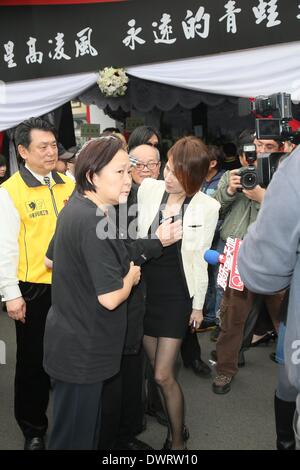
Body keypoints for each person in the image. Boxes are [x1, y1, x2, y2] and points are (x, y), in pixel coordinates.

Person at [43, 136, 141, 450]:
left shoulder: (77, 208)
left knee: (80, 433)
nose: (128, 181)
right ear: (92, 176)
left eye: (129, 171)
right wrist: (131, 276)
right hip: (83, 350)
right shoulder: (93, 219)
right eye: (119, 172)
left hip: (73, 339)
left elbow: (50, 259)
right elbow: (111, 297)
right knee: (74, 439)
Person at [138, 136, 220, 449]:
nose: (168, 177)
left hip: (177, 295)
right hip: (146, 292)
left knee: (162, 374)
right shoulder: (149, 190)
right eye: (168, 169)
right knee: (156, 368)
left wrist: (198, 306)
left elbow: (201, 259)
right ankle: (174, 424)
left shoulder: (208, 206)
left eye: (176, 173)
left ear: (195, 176)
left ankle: (176, 441)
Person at [0, 117, 74, 450]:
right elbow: (5, 247)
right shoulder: (9, 192)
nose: (50, 152)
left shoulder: (68, 183)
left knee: (72, 354)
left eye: (53, 145)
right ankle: (33, 428)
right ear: (22, 151)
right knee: (33, 363)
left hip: (73, 285)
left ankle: (73, 417)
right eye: (42, 146)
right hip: (34, 289)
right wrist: (11, 295)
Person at [211, 130, 284, 394]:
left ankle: (293, 370)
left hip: (275, 254)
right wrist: (230, 189)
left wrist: (263, 197)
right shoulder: (236, 175)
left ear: (282, 148)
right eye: (257, 146)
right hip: (239, 252)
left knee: (285, 316)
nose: (261, 152)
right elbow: (212, 209)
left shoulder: (287, 178)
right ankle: (225, 369)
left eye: (269, 146)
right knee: (232, 316)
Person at [237, 145, 300, 450]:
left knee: (290, 377)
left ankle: (285, 440)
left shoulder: (293, 170)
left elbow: (265, 273)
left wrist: (269, 200)